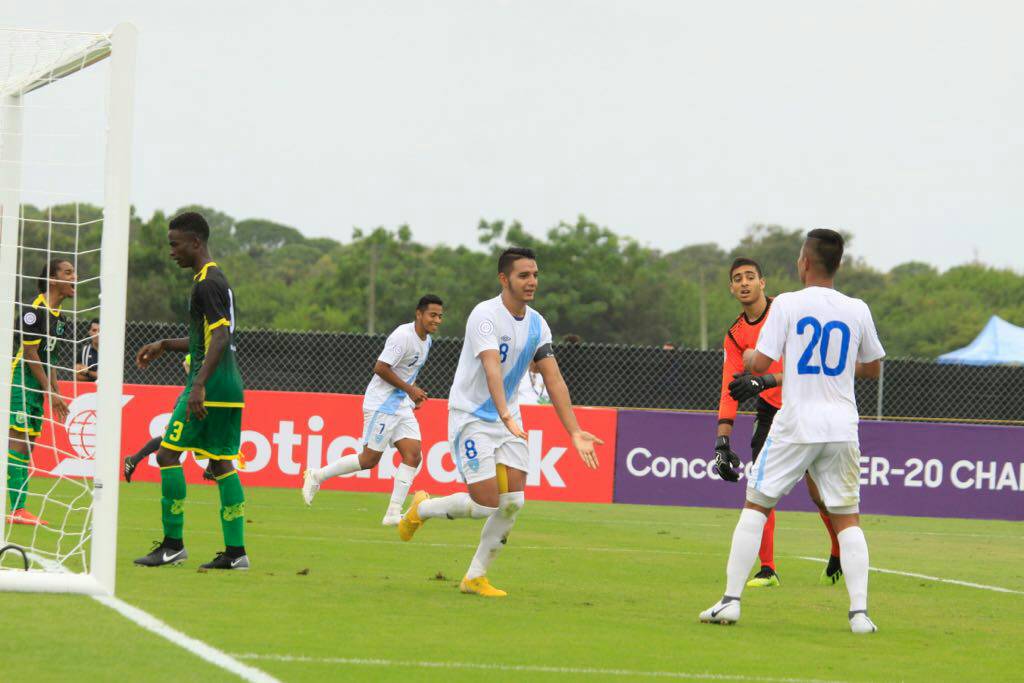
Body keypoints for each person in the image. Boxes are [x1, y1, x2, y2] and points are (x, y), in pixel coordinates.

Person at [700, 229, 885, 634]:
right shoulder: (857, 308)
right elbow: (872, 368)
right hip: (841, 426)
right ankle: (859, 615)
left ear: (804, 261)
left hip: (796, 422)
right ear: (838, 264)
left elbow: (761, 362)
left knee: (756, 506)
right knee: (848, 518)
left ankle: (730, 602)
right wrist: (833, 366)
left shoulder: (787, 304)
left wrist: (749, 356)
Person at [397, 247, 602, 597]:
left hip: (508, 419)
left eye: (535, 274)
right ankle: (423, 508)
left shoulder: (538, 324)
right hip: (473, 416)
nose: (532, 281)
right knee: (485, 504)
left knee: (513, 502)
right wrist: (505, 412)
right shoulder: (485, 316)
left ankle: (475, 577)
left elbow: (553, 379)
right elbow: (492, 367)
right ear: (504, 279)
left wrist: (574, 431)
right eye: (524, 275)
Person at [131, 211, 249, 570]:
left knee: (167, 455)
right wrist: (166, 344)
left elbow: (222, 337)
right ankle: (235, 553)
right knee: (221, 462)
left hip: (209, 385)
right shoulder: (215, 280)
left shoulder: (207, 283)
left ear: (195, 242)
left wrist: (198, 384)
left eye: (175, 244)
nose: (172, 252)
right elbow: (208, 338)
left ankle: (172, 545)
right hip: (230, 385)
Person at [714, 257, 842, 588]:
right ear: (731, 288)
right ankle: (768, 569)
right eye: (737, 278)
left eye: (750, 277)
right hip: (771, 414)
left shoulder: (786, 312)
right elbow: (730, 389)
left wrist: (764, 381)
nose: (744, 282)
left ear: (762, 283)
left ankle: (839, 546)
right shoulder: (735, 334)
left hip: (808, 407)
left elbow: (804, 368)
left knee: (819, 495)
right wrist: (722, 441)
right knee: (759, 486)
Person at [301, 295, 444, 525]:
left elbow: (407, 373)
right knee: (369, 460)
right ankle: (317, 475)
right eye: (432, 315)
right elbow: (380, 367)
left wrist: (413, 392)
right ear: (419, 314)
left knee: (413, 454)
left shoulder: (427, 341)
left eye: (440, 316)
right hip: (382, 404)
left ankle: (392, 513)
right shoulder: (402, 337)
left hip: (401, 405)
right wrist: (409, 390)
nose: (437, 320)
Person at [5, 259, 74, 526]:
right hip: (22, 380)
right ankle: (18, 509)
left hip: (39, 385)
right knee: (18, 440)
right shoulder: (34, 312)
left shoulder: (61, 318)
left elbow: (51, 357)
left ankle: (19, 506)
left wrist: (56, 392)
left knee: (30, 444)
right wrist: (49, 389)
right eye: (68, 273)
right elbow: (32, 354)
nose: (74, 278)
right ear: (53, 279)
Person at [124, 354, 214, 483]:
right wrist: (194, 383)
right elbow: (186, 362)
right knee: (172, 438)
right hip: (191, 398)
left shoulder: (217, 352)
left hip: (203, 399)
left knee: (186, 435)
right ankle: (133, 460)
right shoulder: (205, 350)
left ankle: (133, 460)